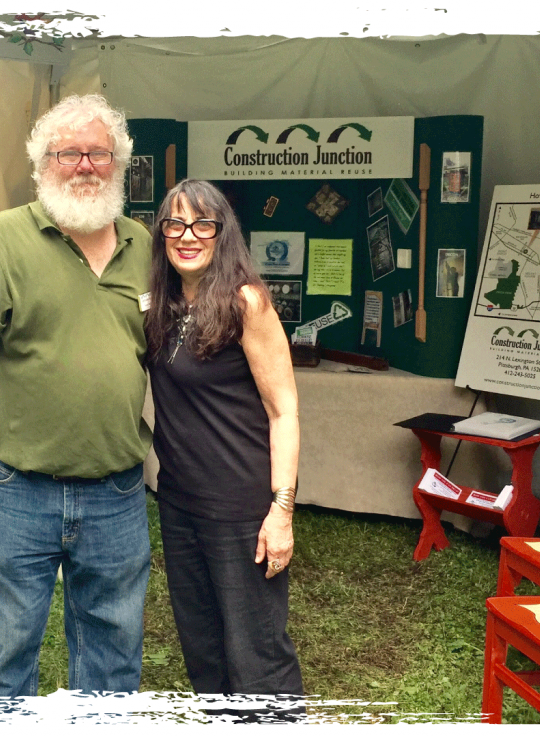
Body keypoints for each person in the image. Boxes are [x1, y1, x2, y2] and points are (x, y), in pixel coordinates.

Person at [0, 94, 153, 706]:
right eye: (68, 153)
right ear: (41, 164)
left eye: (99, 153)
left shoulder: (146, 247)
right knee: (6, 653)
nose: (85, 165)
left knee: (114, 654)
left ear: (119, 163)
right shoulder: (1, 239)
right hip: (17, 488)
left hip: (117, 491)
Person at [144, 179, 304, 717]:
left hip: (240, 508)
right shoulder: (160, 305)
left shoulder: (246, 302)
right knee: (204, 648)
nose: (187, 236)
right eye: (175, 223)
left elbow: (284, 412)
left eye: (202, 224)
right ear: (161, 232)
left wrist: (281, 511)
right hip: (180, 503)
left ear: (222, 232)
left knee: (256, 651)